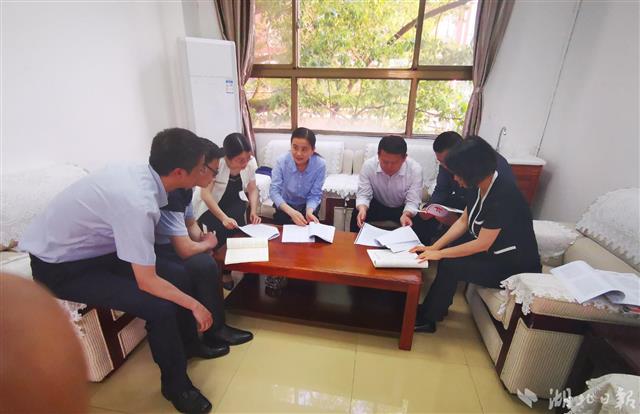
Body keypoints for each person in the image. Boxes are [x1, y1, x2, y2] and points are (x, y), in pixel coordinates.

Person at [20, 128, 220, 414]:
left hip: (98, 251)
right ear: (179, 172)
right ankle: (177, 387)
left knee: (178, 274)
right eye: (201, 167)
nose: (204, 172)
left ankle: (190, 345)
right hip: (61, 267)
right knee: (160, 307)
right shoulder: (138, 203)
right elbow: (147, 281)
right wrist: (195, 305)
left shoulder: (143, 175)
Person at [411, 136, 541, 333]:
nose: (455, 178)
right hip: (494, 254)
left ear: (472, 170)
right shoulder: (478, 185)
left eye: (458, 174)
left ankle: (429, 318)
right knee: (448, 260)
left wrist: (440, 254)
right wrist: (433, 247)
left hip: (513, 266)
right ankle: (432, 311)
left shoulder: (504, 194)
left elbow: (482, 243)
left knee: (450, 264)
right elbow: (463, 221)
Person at [155, 138, 254, 354]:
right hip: (159, 251)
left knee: (207, 262)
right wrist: (206, 244)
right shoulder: (171, 195)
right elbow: (184, 249)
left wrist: (202, 238)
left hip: (174, 243)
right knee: (203, 265)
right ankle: (199, 338)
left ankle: (216, 329)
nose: (215, 177)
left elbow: (190, 223)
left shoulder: (185, 189)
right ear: (198, 168)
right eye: (213, 171)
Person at [413, 131, 517, 245]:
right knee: (422, 217)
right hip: (465, 202)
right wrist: (429, 208)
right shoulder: (448, 164)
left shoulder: (491, 172)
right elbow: (442, 190)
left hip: (486, 215)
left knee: (456, 242)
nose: (445, 167)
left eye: (446, 162)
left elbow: (482, 218)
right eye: (440, 162)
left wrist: (454, 221)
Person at [196, 133, 261, 289]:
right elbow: (205, 195)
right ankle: (220, 271)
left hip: (234, 198)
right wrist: (223, 218)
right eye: (240, 160)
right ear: (227, 157)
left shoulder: (250, 162)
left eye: (247, 158)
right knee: (219, 234)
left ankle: (231, 269)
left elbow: (252, 188)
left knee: (238, 230)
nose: (245, 163)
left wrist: (254, 210)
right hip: (213, 203)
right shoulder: (217, 163)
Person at [267, 127, 326, 295]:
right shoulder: (282, 161)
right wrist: (291, 212)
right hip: (285, 206)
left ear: (313, 150)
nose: (298, 153)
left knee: (308, 244)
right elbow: (274, 192)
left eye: (304, 149)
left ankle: (303, 273)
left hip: (307, 206)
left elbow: (315, 194)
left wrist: (309, 211)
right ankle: (278, 272)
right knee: (281, 243)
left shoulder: (320, 165)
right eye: (295, 147)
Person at [350, 135, 423, 232]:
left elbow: (412, 201)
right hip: (377, 205)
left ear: (404, 158)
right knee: (357, 213)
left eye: (394, 163)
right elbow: (364, 194)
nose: (389, 167)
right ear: (378, 155)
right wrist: (362, 209)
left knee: (420, 223)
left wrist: (406, 214)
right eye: (385, 162)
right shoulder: (369, 166)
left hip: (402, 208)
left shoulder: (415, 170)